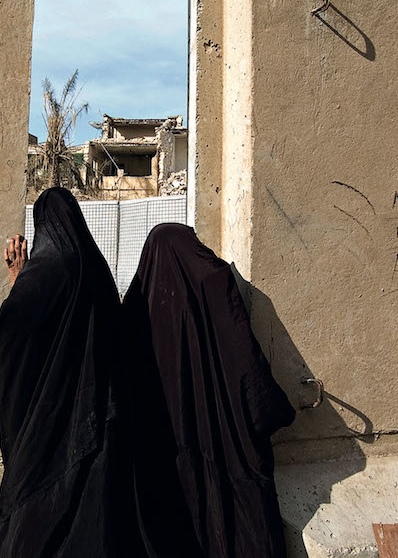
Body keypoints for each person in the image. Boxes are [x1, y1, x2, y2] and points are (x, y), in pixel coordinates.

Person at [122, 223, 295, 558]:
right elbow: (246, 363)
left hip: (164, 459)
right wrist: (272, 410)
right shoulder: (213, 282)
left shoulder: (136, 306)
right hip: (221, 452)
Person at [0, 187, 133, 558]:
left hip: (50, 434)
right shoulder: (96, 269)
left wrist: (18, 280)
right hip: (98, 423)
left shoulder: (46, 269)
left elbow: (11, 335)